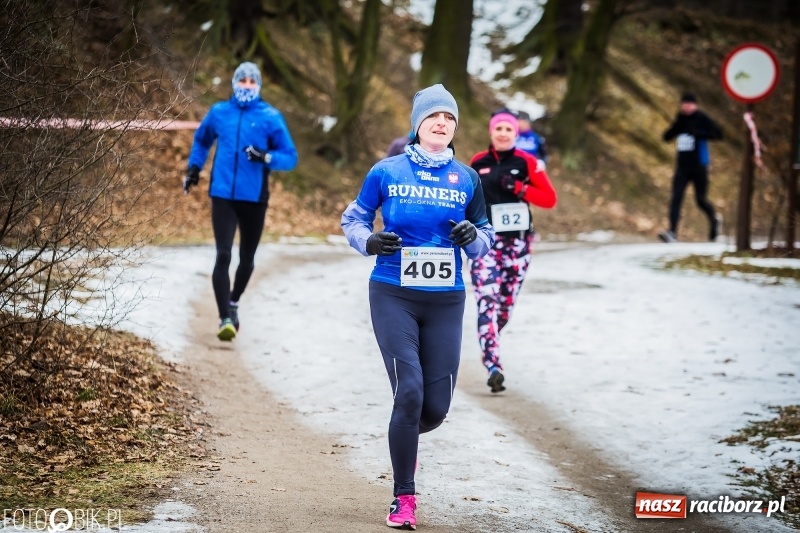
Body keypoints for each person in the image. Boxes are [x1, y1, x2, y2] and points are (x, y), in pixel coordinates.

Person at [341, 84, 494, 530]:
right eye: (433, 116)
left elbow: (486, 236)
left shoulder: (467, 178)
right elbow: (354, 218)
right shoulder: (386, 171)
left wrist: (473, 238)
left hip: (446, 300)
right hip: (393, 292)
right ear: (417, 124)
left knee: (434, 409)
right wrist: (368, 241)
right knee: (409, 391)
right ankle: (403, 498)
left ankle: (402, 432)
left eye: (449, 118)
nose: (442, 123)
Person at [183, 61, 298, 341]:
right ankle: (224, 318)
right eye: (242, 80)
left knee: (247, 259)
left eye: (251, 81)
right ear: (234, 83)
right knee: (223, 254)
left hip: (254, 198)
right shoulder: (219, 112)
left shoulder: (270, 117)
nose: (246, 85)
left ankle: (233, 303)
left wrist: (265, 157)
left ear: (258, 85)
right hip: (222, 194)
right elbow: (202, 140)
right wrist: (195, 167)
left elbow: (290, 157)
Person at [468, 108, 557, 393]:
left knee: (504, 307)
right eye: (499, 129)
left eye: (508, 129)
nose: (503, 134)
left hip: (518, 244)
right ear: (491, 132)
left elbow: (549, 199)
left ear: (515, 134)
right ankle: (493, 364)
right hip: (486, 242)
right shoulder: (477, 162)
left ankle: (489, 341)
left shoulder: (526, 162)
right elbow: (466, 199)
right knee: (487, 299)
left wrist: (520, 189)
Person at [660, 92, 723, 243]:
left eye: (689, 104)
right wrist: (672, 131)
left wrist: (699, 133)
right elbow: (667, 136)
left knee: (700, 199)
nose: (686, 107)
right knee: (676, 198)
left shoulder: (702, 118)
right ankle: (672, 232)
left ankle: (714, 220)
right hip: (682, 167)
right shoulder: (680, 119)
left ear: (695, 105)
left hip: (700, 166)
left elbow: (718, 134)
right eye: (684, 104)